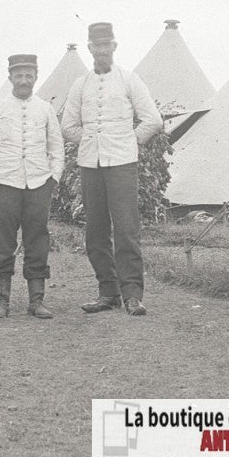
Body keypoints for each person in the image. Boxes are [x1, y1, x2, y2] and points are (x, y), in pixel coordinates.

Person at [61, 22, 163, 316]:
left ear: (114, 46)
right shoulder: (80, 84)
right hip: (90, 165)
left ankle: (132, 295)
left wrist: (127, 141)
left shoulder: (130, 79)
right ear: (90, 48)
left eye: (107, 44)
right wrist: (92, 141)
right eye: (97, 45)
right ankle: (108, 292)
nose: (102, 50)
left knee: (126, 229)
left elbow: (153, 120)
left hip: (122, 164)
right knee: (95, 232)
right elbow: (68, 126)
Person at [0, 54, 65, 319]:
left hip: (39, 184)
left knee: (37, 240)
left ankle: (37, 301)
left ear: (36, 77)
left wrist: (54, 178)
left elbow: (57, 148)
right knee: (3, 241)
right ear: (10, 77)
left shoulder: (45, 109)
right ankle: (2, 301)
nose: (24, 80)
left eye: (28, 75)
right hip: (5, 184)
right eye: (19, 75)